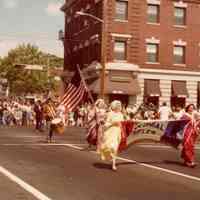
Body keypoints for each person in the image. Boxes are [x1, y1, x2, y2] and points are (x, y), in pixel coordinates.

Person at [98, 100, 124, 171]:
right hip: (110, 132)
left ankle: (113, 164)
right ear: (114, 106)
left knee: (115, 148)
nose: (119, 107)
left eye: (119, 106)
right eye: (117, 106)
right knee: (109, 147)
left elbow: (122, 123)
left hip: (117, 132)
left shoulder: (121, 114)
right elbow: (106, 124)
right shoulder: (110, 114)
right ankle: (109, 157)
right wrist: (113, 123)